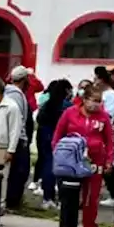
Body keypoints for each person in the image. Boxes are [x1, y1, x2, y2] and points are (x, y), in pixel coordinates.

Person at [53, 85, 114, 227]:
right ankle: (66, 224)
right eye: (93, 100)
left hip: (95, 160)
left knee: (91, 195)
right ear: (85, 99)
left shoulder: (104, 117)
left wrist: (109, 160)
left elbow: (109, 141)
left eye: (99, 101)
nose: (96, 104)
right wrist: (58, 154)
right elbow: (58, 135)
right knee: (68, 193)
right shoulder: (69, 113)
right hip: (71, 160)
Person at [35, 79, 73, 209]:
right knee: (61, 168)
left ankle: (47, 197)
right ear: (67, 90)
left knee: (47, 164)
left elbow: (39, 119)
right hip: (60, 138)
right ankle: (62, 199)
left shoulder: (47, 104)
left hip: (45, 135)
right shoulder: (67, 106)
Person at [3, 66, 33, 211]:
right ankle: (12, 201)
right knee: (19, 171)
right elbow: (18, 119)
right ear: (24, 79)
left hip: (12, 137)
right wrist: (22, 138)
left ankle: (12, 200)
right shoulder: (16, 94)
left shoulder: (10, 92)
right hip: (17, 138)